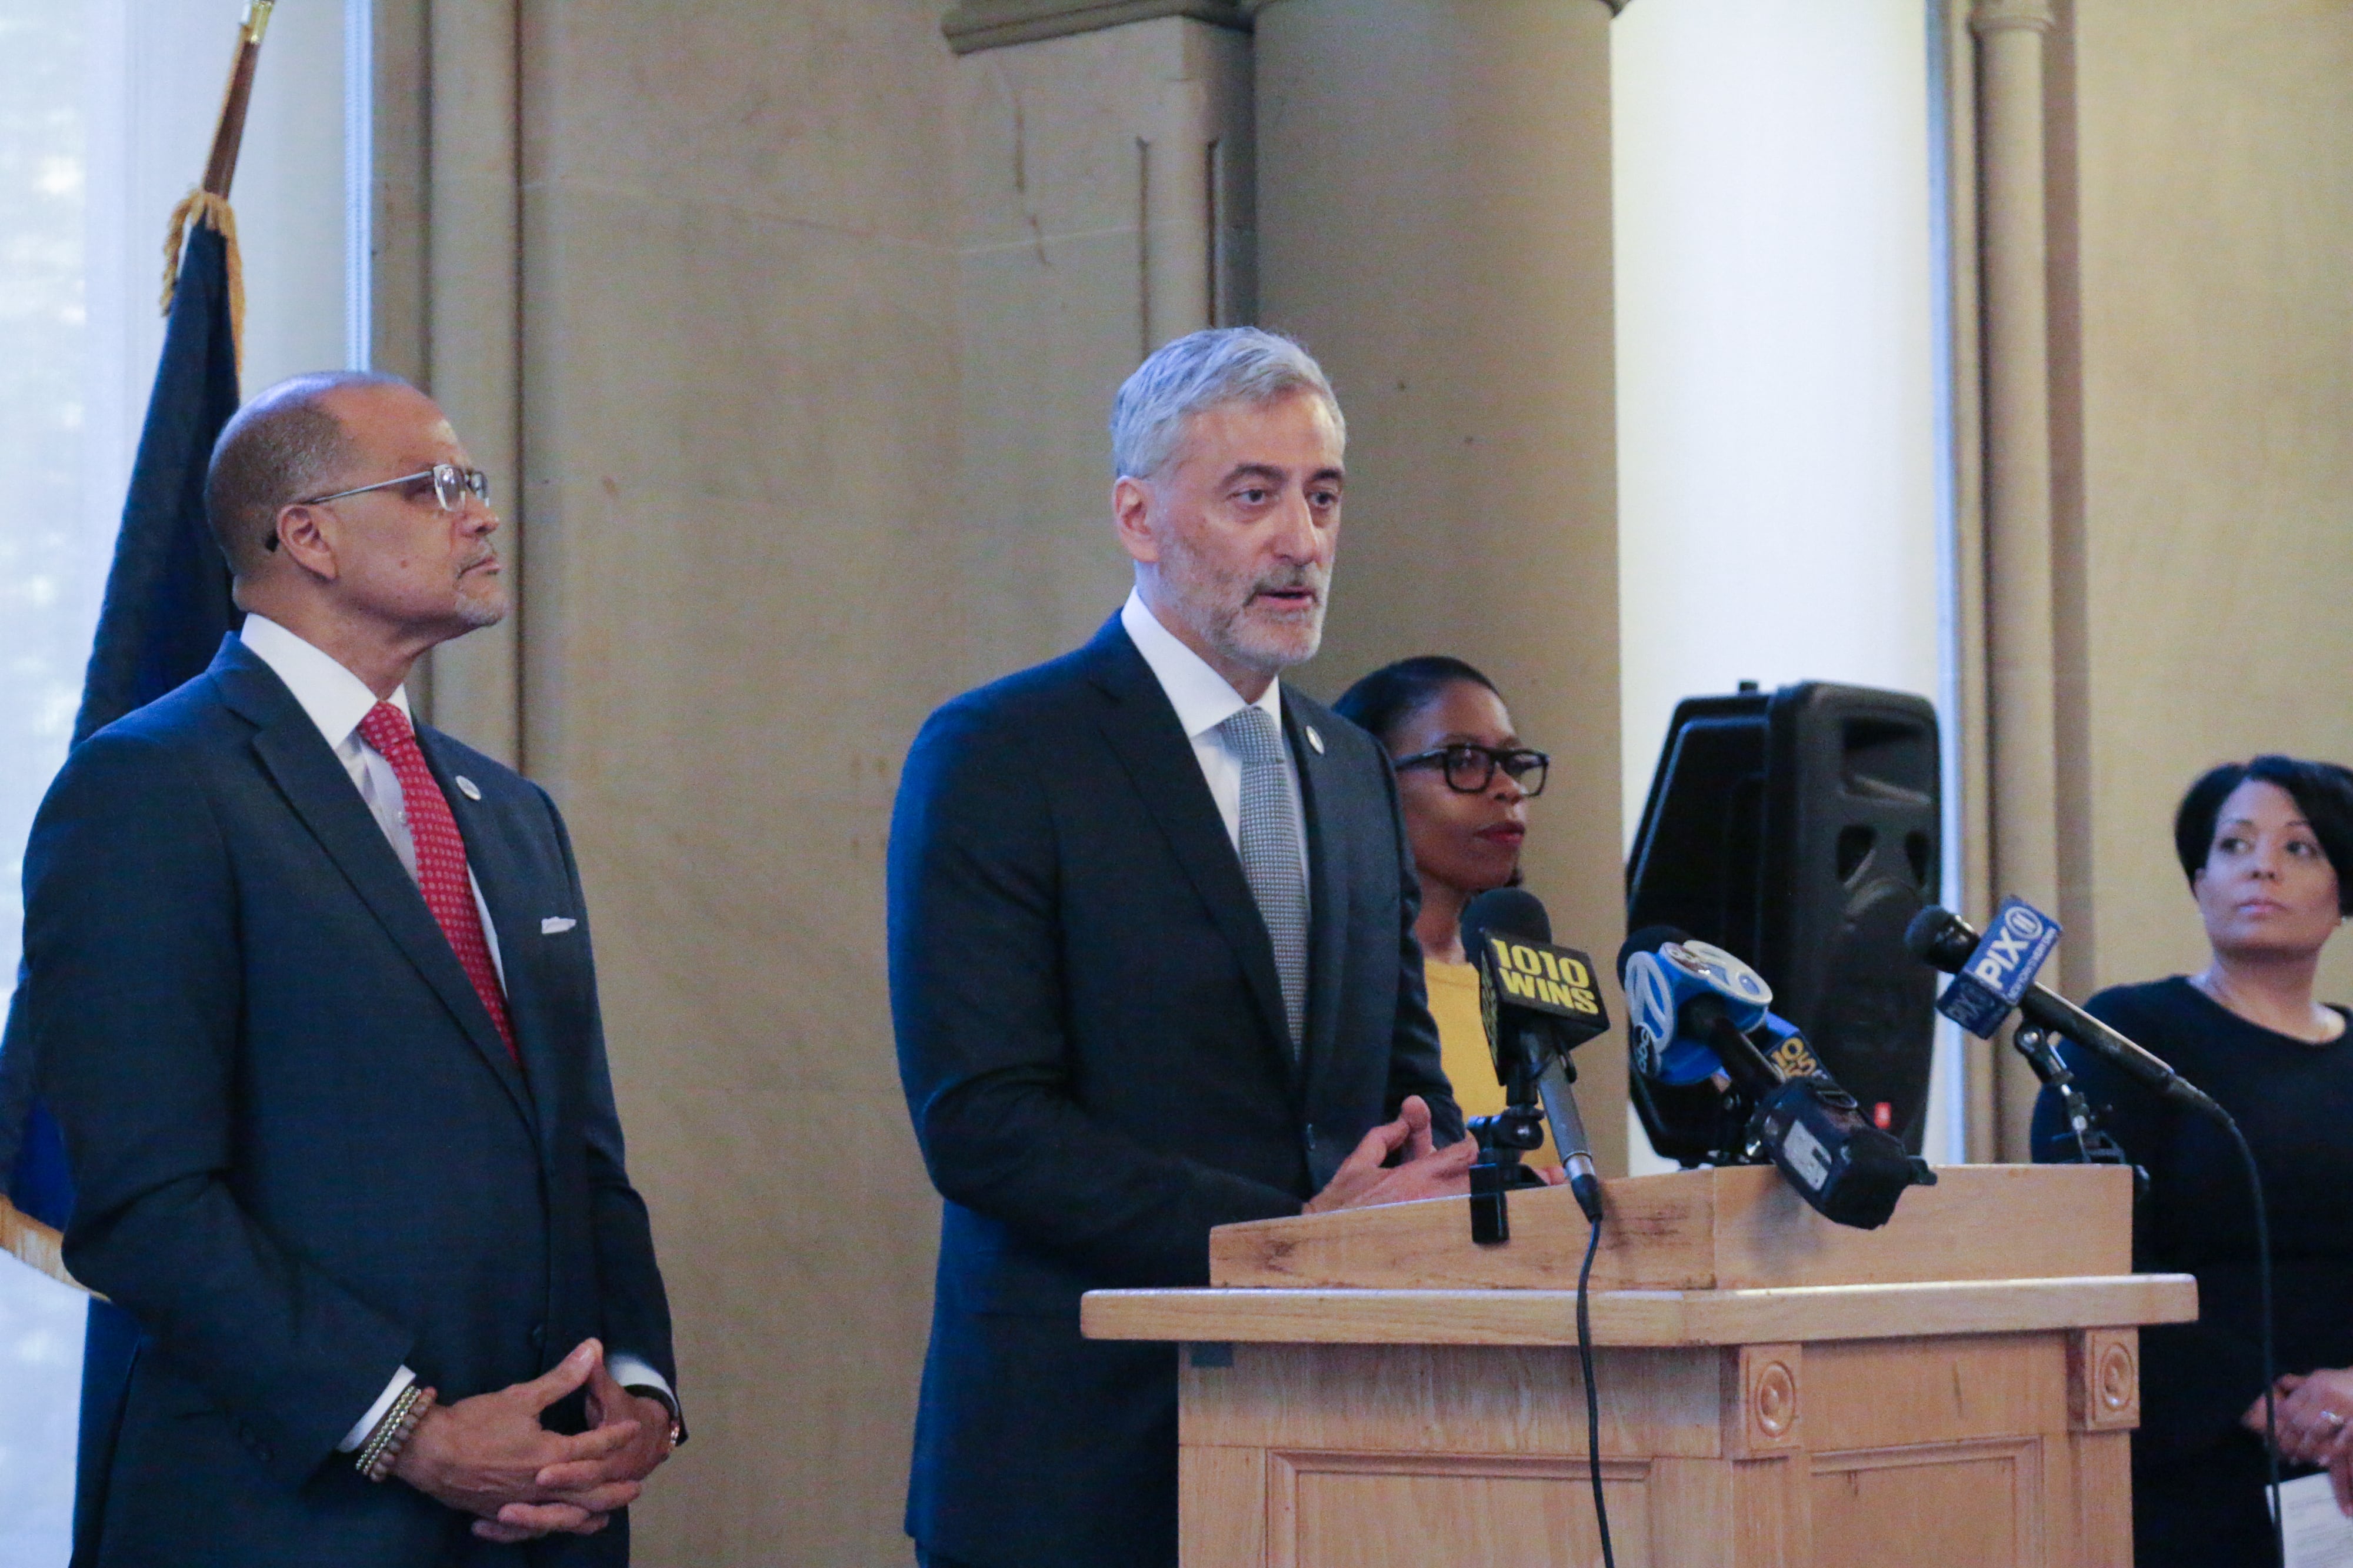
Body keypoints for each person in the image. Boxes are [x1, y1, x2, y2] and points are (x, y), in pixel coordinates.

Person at [22, 371, 682, 1565]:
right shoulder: (151, 789)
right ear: (307, 534)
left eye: (474, 485)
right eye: (435, 487)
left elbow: (582, 1155)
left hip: (540, 1521)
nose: (480, 513)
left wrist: (637, 1394)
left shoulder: (511, 809)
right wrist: (404, 1430)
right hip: (282, 1515)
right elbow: (144, 1201)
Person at [889, 327, 1471, 1568]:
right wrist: (1289, 1233)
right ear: (1138, 518)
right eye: (1251, 496)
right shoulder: (1002, 753)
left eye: (1320, 498)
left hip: (1334, 1446)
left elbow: (1402, 1082)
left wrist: (1472, 1189)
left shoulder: (1352, 766)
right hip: (1077, 1456)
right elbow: (982, 1119)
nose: (1301, 541)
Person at [2031, 754, 2353, 1566]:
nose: (2263, 866)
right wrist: (2249, 1396)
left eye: (2301, 848)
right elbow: (2088, 1250)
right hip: (2190, 1450)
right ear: (2200, 879)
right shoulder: (2126, 1037)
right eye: (2235, 845)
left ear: (2345, 889)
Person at [1332, 657, 1553, 1160]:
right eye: (1463, 759)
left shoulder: (1516, 981)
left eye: (1514, 762)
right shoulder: (1343, 990)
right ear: (1367, 779)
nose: (1508, 788)